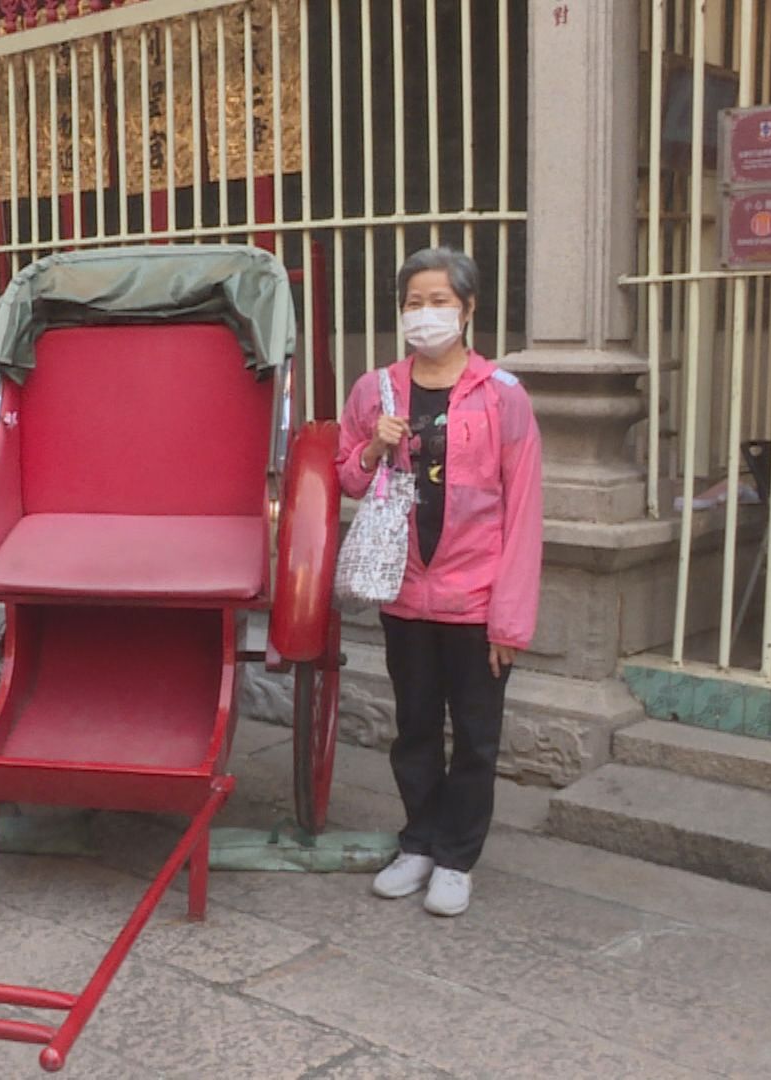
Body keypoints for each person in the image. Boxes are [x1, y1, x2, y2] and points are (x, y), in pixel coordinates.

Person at [335, 248, 543, 917]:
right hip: (405, 596)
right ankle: (419, 843)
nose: (425, 315)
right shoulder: (375, 390)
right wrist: (373, 444)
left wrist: (509, 620)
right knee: (415, 727)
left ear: (468, 308)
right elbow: (347, 477)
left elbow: (523, 511)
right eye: (414, 303)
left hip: (476, 600)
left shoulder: (503, 395)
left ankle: (456, 858)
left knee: (476, 738)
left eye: (439, 302)